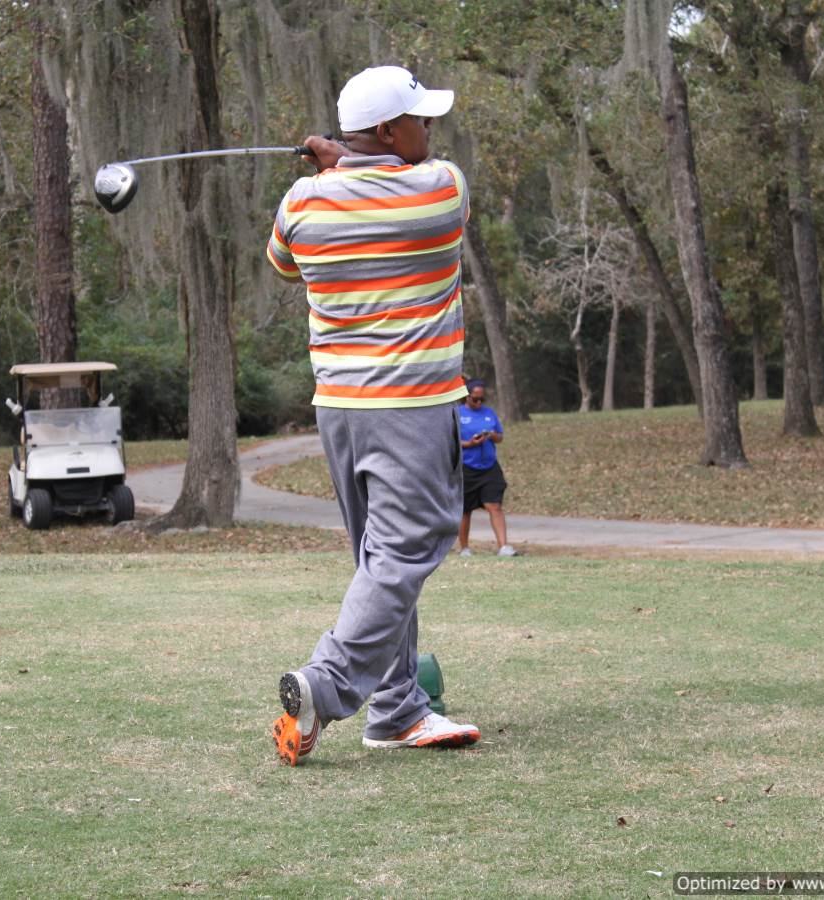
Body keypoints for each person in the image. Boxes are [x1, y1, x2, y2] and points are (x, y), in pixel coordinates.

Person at [264, 65, 481, 765]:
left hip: (339, 412)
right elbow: (419, 183)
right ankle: (325, 687)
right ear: (390, 132)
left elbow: (284, 264)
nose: (431, 129)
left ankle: (396, 709)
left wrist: (332, 172)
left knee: (380, 560)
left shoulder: (301, 204)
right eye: (421, 119)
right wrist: (347, 165)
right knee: (409, 546)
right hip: (412, 408)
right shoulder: (441, 189)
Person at [455, 379, 516, 557]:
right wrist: (469, 443)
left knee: (494, 505)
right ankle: (464, 548)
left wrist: (492, 435)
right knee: (465, 510)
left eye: (482, 399)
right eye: (475, 399)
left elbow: (500, 437)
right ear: (467, 397)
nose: (479, 402)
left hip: (489, 466)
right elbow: (450, 441)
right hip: (467, 467)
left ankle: (503, 547)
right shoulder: (457, 414)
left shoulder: (489, 413)